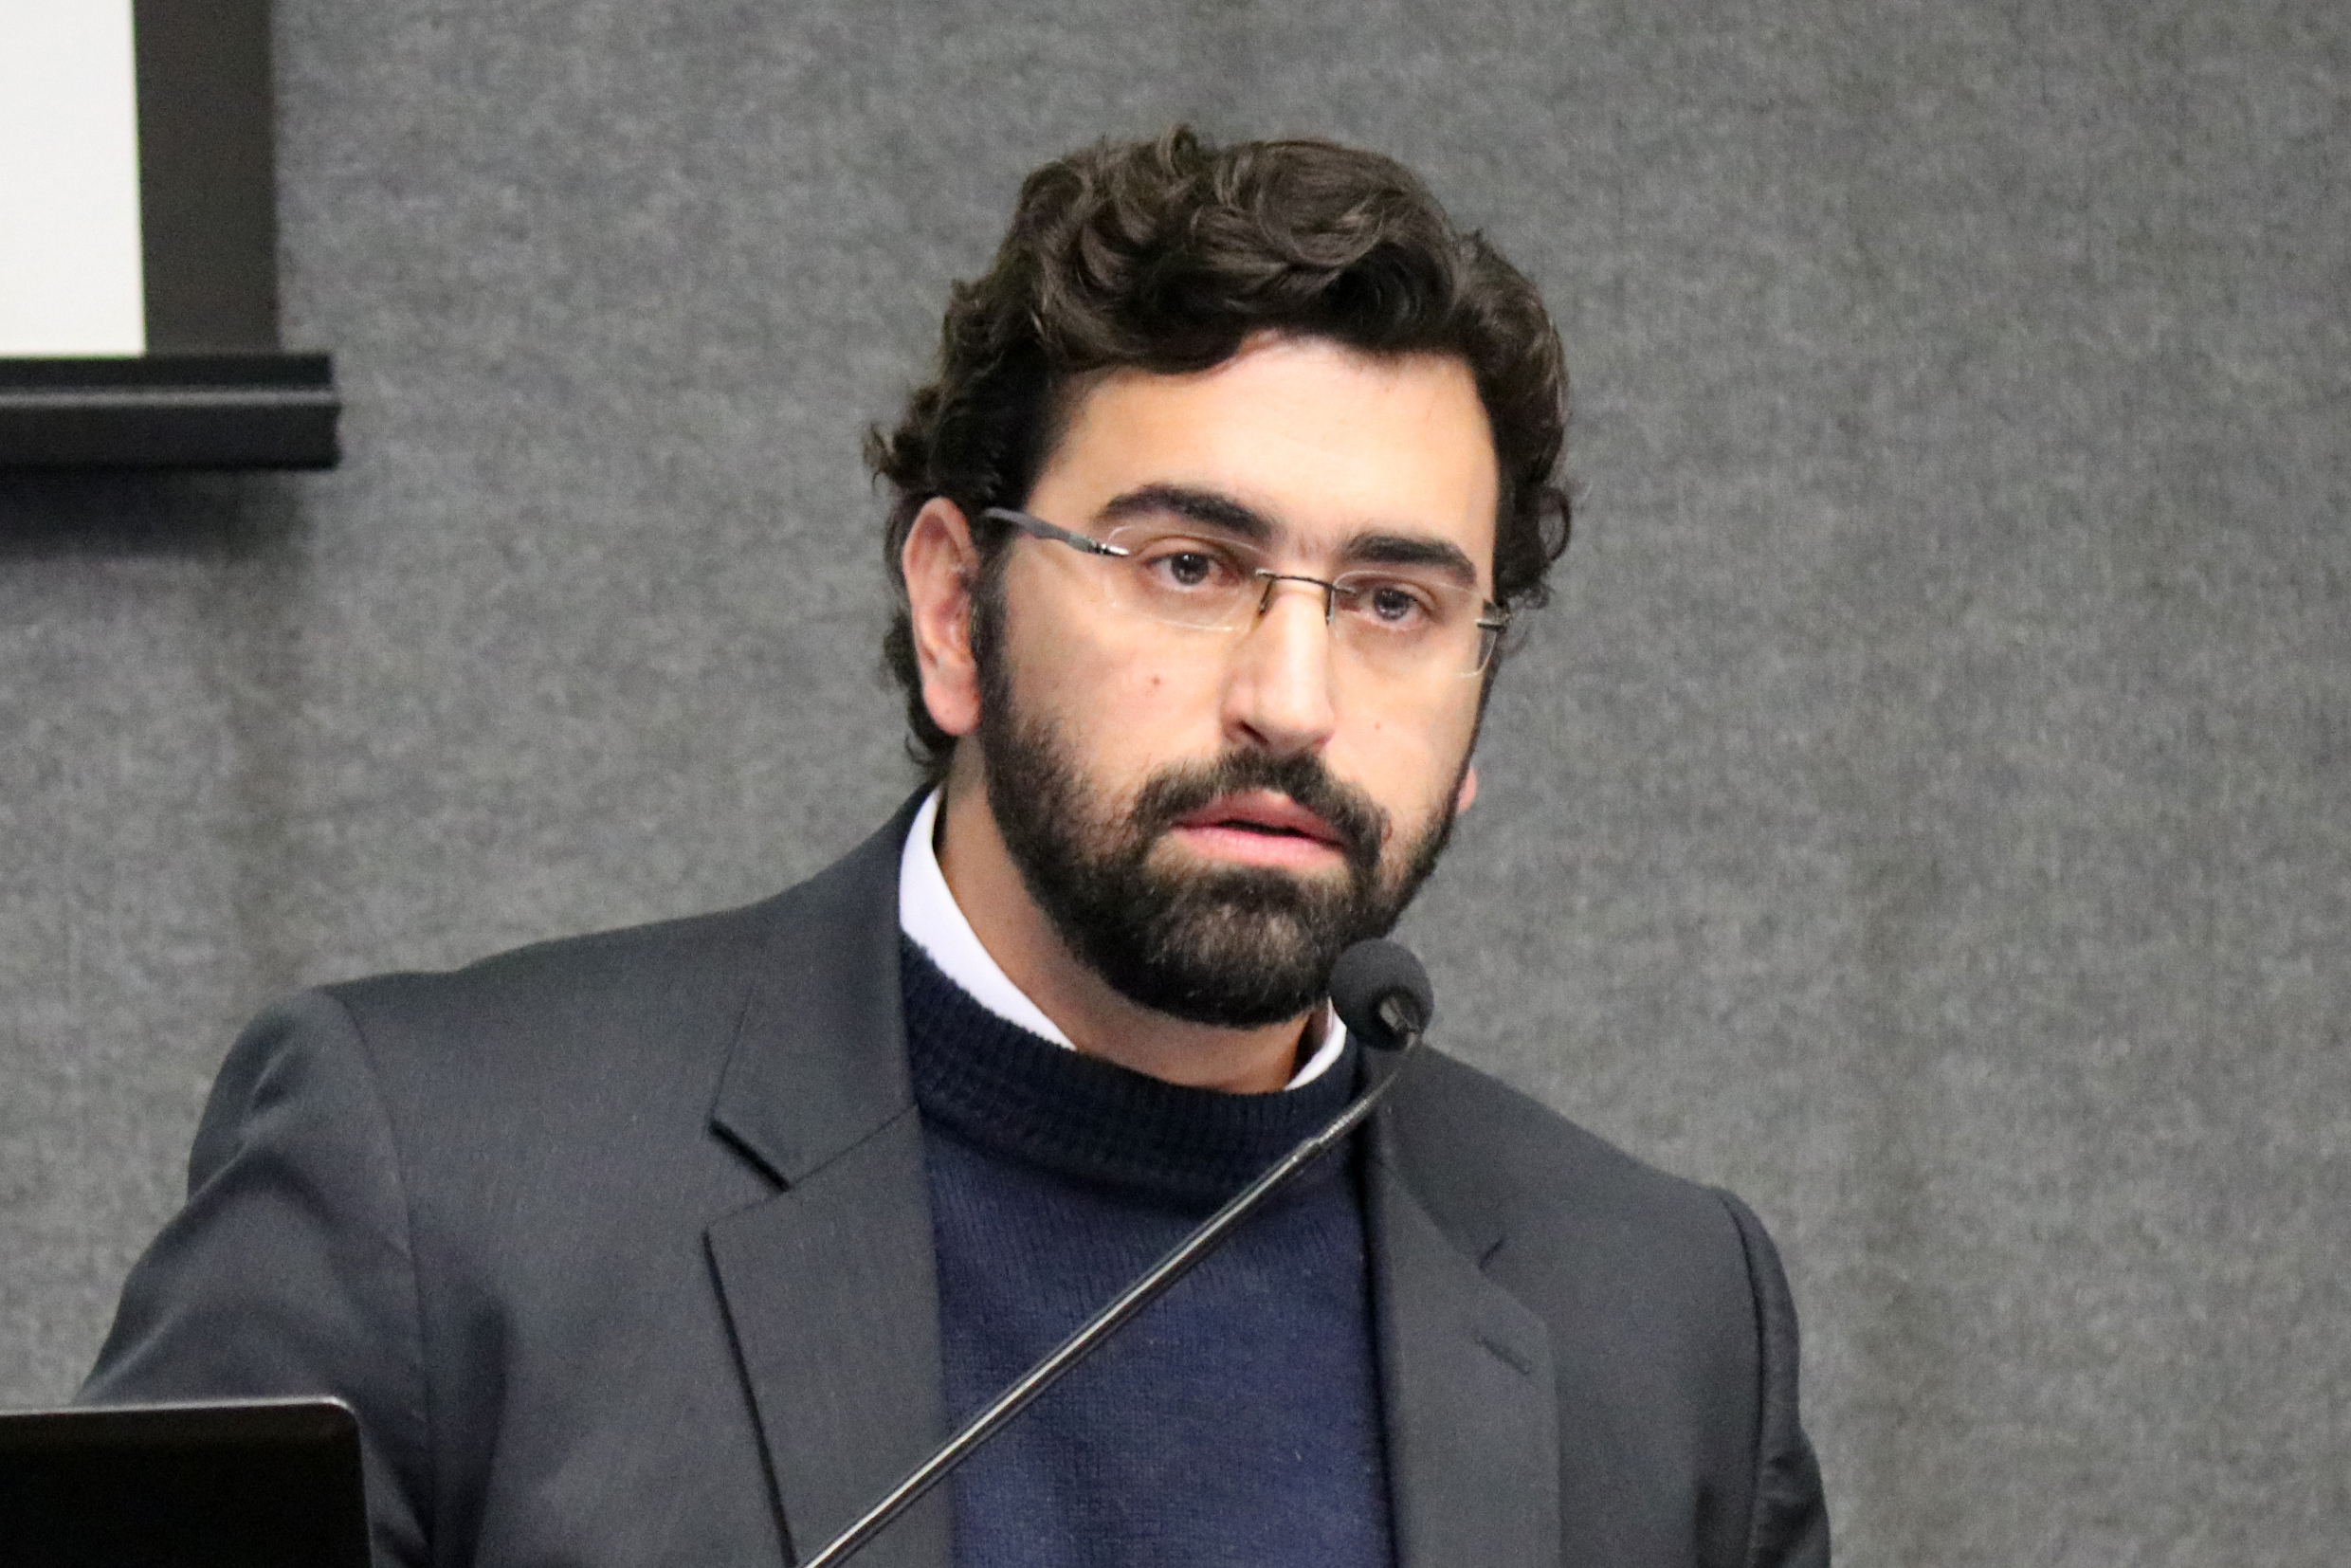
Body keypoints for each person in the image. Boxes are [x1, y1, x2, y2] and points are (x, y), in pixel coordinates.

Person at [82, 128, 1829, 1568]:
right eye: (1189, 566)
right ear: (952, 609)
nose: (1293, 700)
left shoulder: (1663, 1313)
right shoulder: (437, 1179)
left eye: (1392, 602)